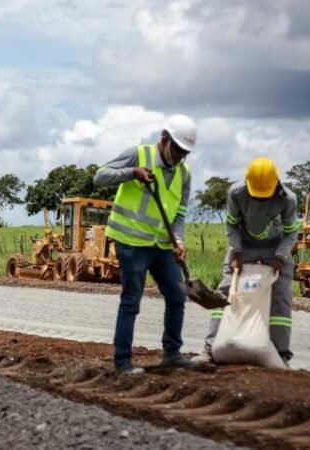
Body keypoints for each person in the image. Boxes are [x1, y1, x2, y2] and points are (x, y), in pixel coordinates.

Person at [93, 114, 199, 375]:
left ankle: (172, 354)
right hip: (131, 243)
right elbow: (100, 177)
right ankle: (123, 361)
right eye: (177, 150)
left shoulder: (184, 173)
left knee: (177, 295)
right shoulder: (138, 154)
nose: (180, 157)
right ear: (164, 139)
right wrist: (132, 173)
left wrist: (179, 240)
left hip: (161, 245)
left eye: (185, 153)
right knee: (132, 300)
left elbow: (180, 213)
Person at [197, 157, 299, 365]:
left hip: (275, 248)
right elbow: (232, 225)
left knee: (280, 298)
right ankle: (209, 350)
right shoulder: (236, 193)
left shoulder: (288, 199)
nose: (260, 200)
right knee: (225, 292)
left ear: (276, 184)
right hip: (243, 246)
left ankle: (280, 355)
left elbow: (291, 232)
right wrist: (236, 252)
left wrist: (281, 256)